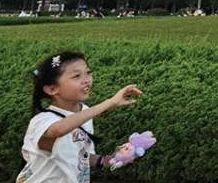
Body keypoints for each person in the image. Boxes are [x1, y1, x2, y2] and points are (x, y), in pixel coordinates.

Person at [17, 51, 142, 183]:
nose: (87, 80)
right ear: (51, 89)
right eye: (76, 76)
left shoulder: (84, 112)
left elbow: (80, 155)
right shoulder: (43, 120)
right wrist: (110, 102)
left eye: (88, 72)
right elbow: (57, 130)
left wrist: (108, 160)